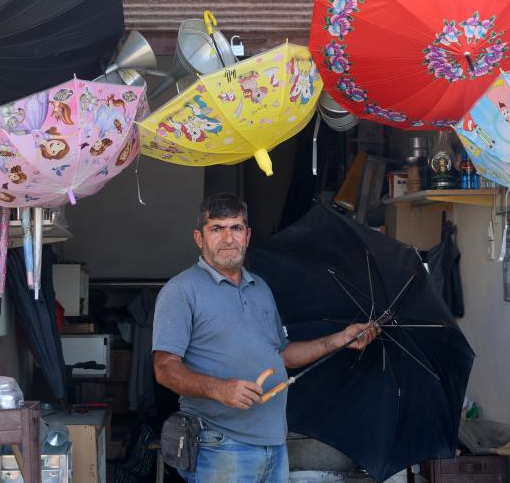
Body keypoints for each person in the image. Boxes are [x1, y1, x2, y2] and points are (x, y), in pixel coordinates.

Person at [152, 193, 380, 482]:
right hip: (219, 443)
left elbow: (282, 354)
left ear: (247, 236)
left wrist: (340, 339)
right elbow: (164, 368)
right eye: (216, 229)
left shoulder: (259, 288)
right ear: (199, 238)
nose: (228, 238)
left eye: (236, 228)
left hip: (274, 443)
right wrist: (219, 389)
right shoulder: (181, 290)